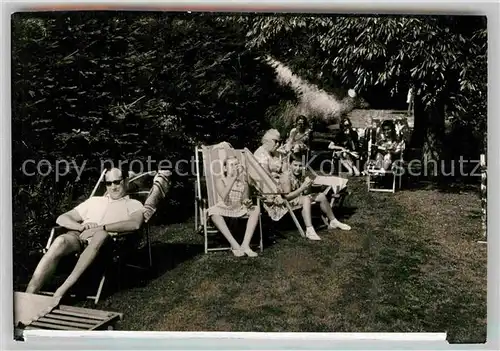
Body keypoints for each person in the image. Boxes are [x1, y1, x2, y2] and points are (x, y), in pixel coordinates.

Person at [26, 168, 145, 299]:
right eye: (109, 183)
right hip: (81, 236)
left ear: (126, 181)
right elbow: (62, 218)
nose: (113, 187)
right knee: (61, 240)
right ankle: (30, 293)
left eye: (117, 182)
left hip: (107, 243)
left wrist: (101, 228)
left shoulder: (133, 204)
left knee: (101, 235)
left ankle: (61, 290)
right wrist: (81, 227)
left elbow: (135, 224)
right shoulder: (94, 201)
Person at [280, 157, 351, 241]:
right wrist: (302, 188)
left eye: (300, 166)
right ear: (289, 165)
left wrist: (309, 186)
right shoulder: (286, 177)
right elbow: (287, 197)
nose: (298, 168)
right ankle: (309, 229)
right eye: (295, 165)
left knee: (321, 195)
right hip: (287, 201)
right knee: (306, 199)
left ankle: (333, 221)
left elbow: (305, 192)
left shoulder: (299, 174)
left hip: (299, 197)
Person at [208, 147, 260, 257]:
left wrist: (247, 202)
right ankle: (235, 245)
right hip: (224, 207)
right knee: (213, 213)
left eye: (236, 164)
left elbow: (245, 199)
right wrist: (233, 178)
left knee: (256, 209)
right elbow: (223, 195)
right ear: (225, 169)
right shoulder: (220, 180)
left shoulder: (242, 183)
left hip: (238, 208)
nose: (235, 167)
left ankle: (245, 244)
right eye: (231, 165)